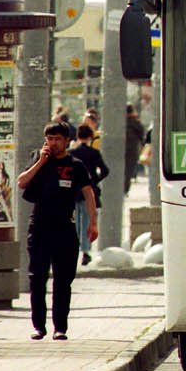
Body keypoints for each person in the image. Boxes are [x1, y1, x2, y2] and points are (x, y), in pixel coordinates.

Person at [18, 122, 98, 341]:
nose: (53, 143)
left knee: (63, 280)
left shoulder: (75, 165)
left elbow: (88, 193)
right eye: (49, 139)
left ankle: (60, 327)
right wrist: (41, 162)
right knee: (37, 278)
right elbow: (21, 182)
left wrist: (93, 223)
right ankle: (38, 326)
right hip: (40, 227)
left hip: (64, 227)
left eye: (57, 139)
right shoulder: (38, 159)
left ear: (66, 141)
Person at [68, 124, 109, 266]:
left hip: (73, 192)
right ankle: (85, 251)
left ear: (78, 136)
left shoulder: (71, 153)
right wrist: (93, 181)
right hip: (89, 192)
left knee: (74, 221)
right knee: (86, 220)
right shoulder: (94, 153)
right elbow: (105, 170)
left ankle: (74, 249)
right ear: (90, 137)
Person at [124, 104, 144, 194]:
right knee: (128, 171)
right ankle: (125, 189)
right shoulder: (135, 122)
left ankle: (122, 188)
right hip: (132, 150)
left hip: (120, 150)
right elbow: (142, 135)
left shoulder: (120, 122)